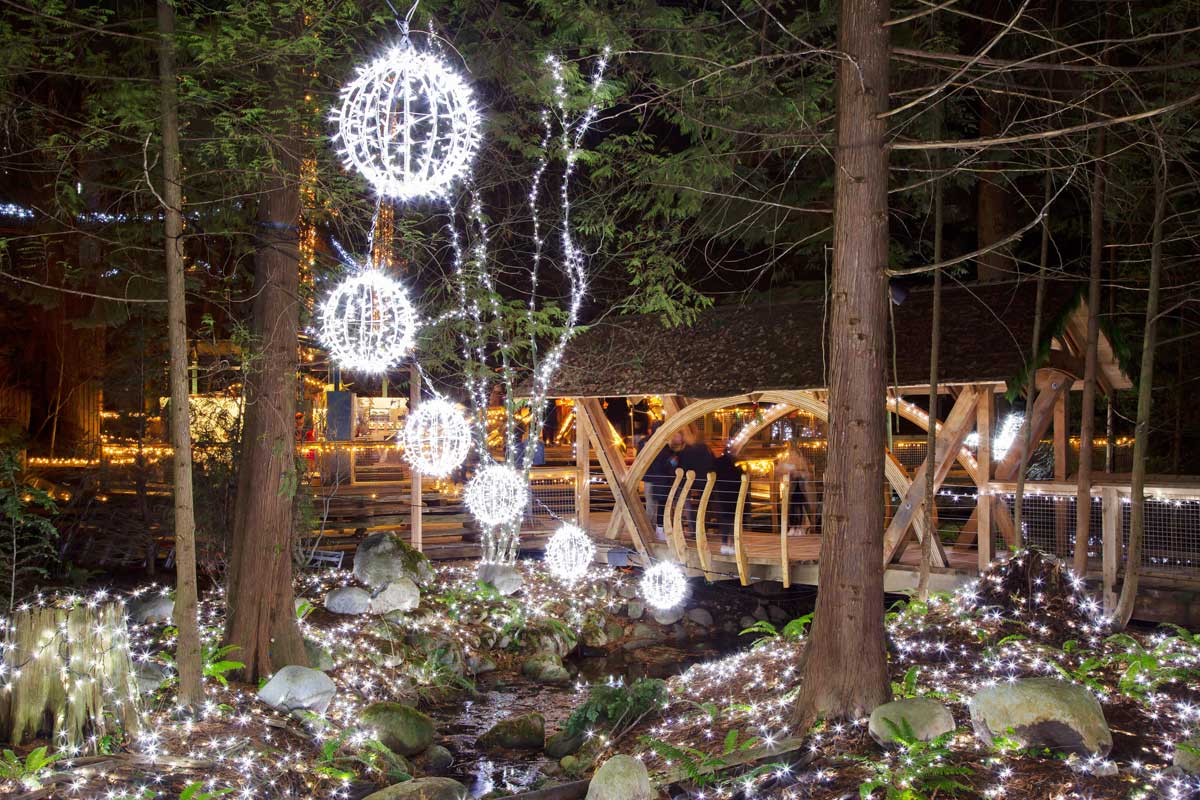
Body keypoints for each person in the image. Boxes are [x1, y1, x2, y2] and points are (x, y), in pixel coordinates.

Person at [644, 429, 684, 541]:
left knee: (663, 507)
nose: (679, 439)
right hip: (662, 483)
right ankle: (659, 531)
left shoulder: (668, 451)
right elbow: (662, 467)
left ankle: (660, 530)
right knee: (661, 507)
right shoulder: (665, 451)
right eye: (677, 436)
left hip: (663, 483)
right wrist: (672, 464)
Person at [774, 441, 818, 535]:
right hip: (791, 489)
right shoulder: (786, 461)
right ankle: (793, 527)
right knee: (791, 508)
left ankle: (800, 527)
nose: (792, 456)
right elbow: (779, 471)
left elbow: (807, 476)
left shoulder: (801, 461)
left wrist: (799, 473)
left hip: (801, 489)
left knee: (800, 507)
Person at [678, 431, 715, 535]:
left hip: (690, 480)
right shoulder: (708, 451)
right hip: (704, 481)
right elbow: (712, 465)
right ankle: (703, 528)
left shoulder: (688, 450)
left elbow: (684, 464)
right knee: (705, 505)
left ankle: (692, 529)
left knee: (687, 505)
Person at [711, 448, 744, 554]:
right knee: (734, 521)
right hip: (733, 497)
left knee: (725, 520)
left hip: (721, 496)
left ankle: (724, 543)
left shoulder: (717, 464)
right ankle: (733, 544)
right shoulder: (735, 467)